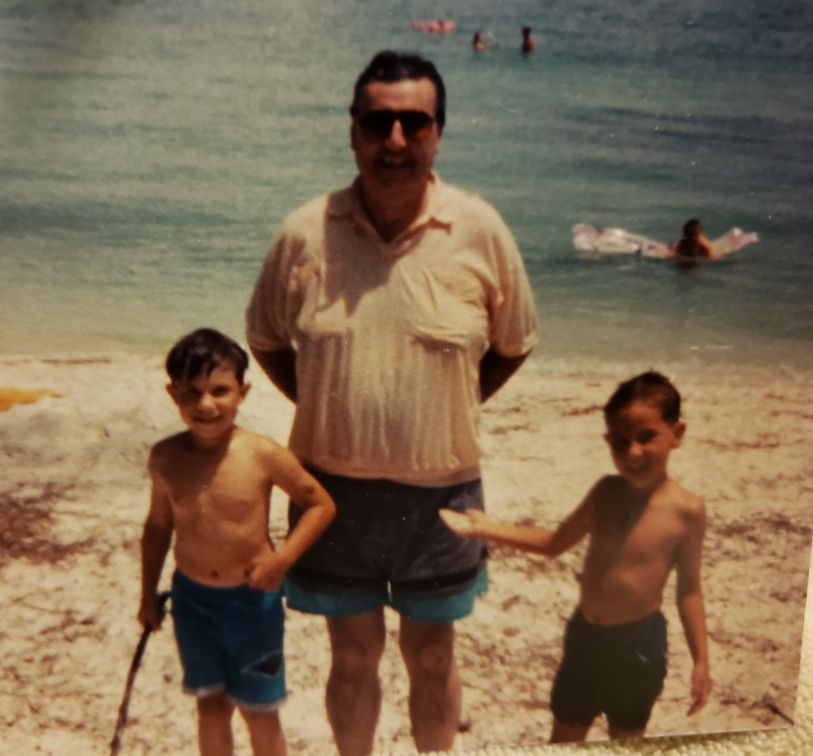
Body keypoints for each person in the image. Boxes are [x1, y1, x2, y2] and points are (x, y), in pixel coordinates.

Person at [245, 51, 538, 755]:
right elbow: (266, 339)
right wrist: (326, 397)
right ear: (353, 131)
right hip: (330, 494)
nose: (396, 141)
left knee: (433, 657)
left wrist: (452, 404)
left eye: (415, 123)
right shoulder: (304, 234)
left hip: (442, 496)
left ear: (439, 133)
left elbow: (513, 342)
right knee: (352, 658)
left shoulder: (481, 231)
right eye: (379, 122)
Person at [440, 371, 711, 742]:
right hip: (585, 636)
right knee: (565, 735)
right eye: (619, 442)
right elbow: (554, 543)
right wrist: (486, 528)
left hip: (638, 646)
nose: (632, 452)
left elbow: (690, 590)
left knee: (626, 739)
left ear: (676, 434)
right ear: (607, 442)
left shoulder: (687, 511)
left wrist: (701, 661)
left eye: (646, 437)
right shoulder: (605, 492)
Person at [138, 328, 336, 756]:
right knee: (210, 707)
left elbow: (320, 505)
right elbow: (157, 527)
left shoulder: (261, 453)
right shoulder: (165, 457)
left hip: (252, 604)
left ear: (242, 392)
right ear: (173, 394)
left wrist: (282, 561)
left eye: (219, 390)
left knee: (259, 711)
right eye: (191, 392)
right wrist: (146, 596)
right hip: (192, 603)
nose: (205, 404)